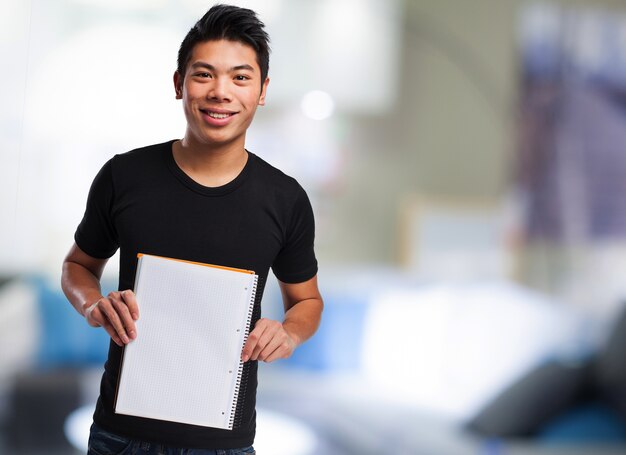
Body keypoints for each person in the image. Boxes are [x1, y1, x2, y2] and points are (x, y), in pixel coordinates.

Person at [61, 4, 323, 454]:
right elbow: (76, 267)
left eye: (240, 77)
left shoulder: (285, 199)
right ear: (179, 83)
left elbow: (307, 300)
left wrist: (290, 332)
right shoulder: (124, 176)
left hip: (225, 443)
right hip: (119, 436)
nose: (221, 92)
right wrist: (93, 306)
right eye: (204, 74)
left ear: (262, 90)